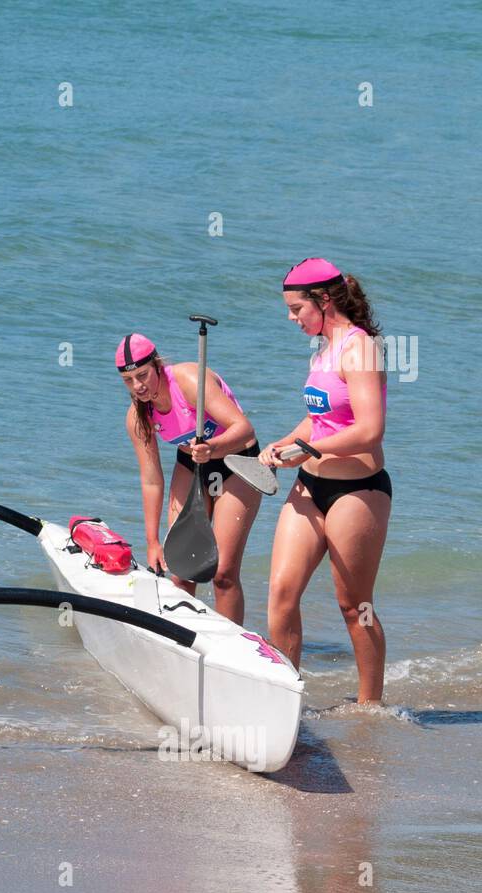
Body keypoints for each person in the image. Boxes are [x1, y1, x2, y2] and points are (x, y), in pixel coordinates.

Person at [260, 258, 391, 703]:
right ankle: (283, 699)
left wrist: (311, 449)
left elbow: (370, 429)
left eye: (297, 309)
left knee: (355, 607)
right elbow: (322, 418)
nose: (291, 318)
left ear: (324, 299)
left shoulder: (361, 348)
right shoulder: (323, 348)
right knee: (280, 593)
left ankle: (370, 706)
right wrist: (284, 443)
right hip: (308, 487)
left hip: (358, 490)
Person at [119, 332, 261, 623]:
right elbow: (151, 480)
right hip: (192, 463)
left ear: (158, 365)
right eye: (129, 380)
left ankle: (232, 650)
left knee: (223, 574)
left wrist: (213, 448)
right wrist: (152, 541)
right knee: (182, 569)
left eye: (143, 375)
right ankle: (184, 644)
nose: (138, 386)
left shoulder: (189, 382)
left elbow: (244, 429)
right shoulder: (137, 417)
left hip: (237, 461)